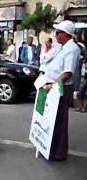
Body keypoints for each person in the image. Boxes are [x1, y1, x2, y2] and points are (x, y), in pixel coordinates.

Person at [42, 20, 80, 161]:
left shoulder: (72, 49)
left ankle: (59, 152)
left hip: (62, 86)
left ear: (66, 34)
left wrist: (53, 85)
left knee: (60, 120)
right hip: (54, 84)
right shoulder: (62, 47)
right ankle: (51, 146)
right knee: (53, 118)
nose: (56, 35)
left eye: (58, 32)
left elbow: (67, 72)